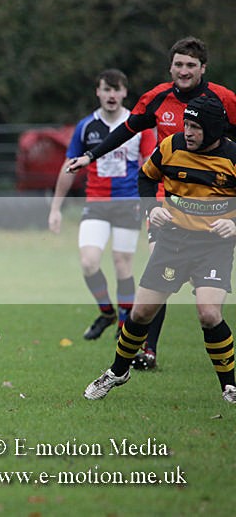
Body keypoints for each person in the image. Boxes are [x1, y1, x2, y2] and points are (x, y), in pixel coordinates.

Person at [67, 36, 236, 369]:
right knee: (160, 275)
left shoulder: (224, 100)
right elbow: (126, 130)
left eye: (190, 65)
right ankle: (149, 350)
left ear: (203, 68)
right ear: (170, 67)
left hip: (216, 207)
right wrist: (90, 155)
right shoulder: (157, 98)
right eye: (178, 64)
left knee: (204, 300)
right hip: (167, 201)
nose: (183, 71)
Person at [83, 96, 236, 404]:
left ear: (214, 129)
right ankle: (117, 372)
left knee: (208, 313)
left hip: (214, 246)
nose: (188, 132)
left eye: (196, 127)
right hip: (173, 241)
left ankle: (230, 387)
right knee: (141, 312)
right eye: (186, 125)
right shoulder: (171, 146)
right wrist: (153, 209)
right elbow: (145, 176)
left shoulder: (232, 157)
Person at [49, 69, 156, 340]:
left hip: (128, 203)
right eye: (106, 89)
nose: (111, 94)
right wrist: (55, 208)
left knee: (123, 265)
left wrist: (149, 205)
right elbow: (68, 165)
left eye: (116, 89)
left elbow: (150, 167)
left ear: (124, 92)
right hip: (96, 203)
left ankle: (124, 327)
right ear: (97, 92)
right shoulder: (87, 126)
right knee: (89, 263)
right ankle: (107, 311)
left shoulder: (137, 125)